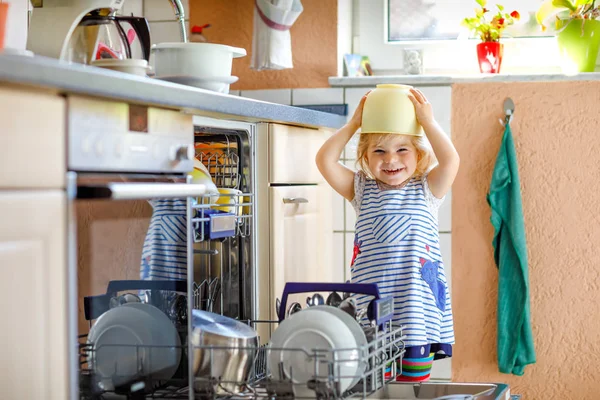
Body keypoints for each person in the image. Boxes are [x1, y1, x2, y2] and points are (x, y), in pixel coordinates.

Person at [315, 88, 460, 382]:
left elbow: (451, 161)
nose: (390, 159)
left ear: (419, 154)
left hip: (416, 315)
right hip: (372, 316)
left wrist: (428, 123)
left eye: (402, 149)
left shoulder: (427, 189)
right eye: (379, 151)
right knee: (374, 387)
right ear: (365, 157)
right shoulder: (361, 190)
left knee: (410, 388)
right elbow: (325, 160)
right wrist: (355, 123)